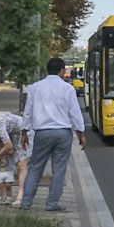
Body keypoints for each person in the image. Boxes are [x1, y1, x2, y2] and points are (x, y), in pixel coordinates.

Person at [20, 57, 86, 212]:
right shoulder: (68, 89)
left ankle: (26, 202)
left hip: (42, 132)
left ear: (47, 70)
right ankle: (52, 203)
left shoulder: (35, 88)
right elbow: (75, 113)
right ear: (62, 71)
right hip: (63, 133)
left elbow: (28, 111)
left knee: (35, 167)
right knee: (59, 169)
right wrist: (81, 134)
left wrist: (25, 131)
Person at [0, 110, 31, 206]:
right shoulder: (1, 117)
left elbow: (8, 146)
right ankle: (19, 195)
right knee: (20, 164)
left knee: (22, 165)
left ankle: (21, 196)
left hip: (24, 133)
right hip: (17, 132)